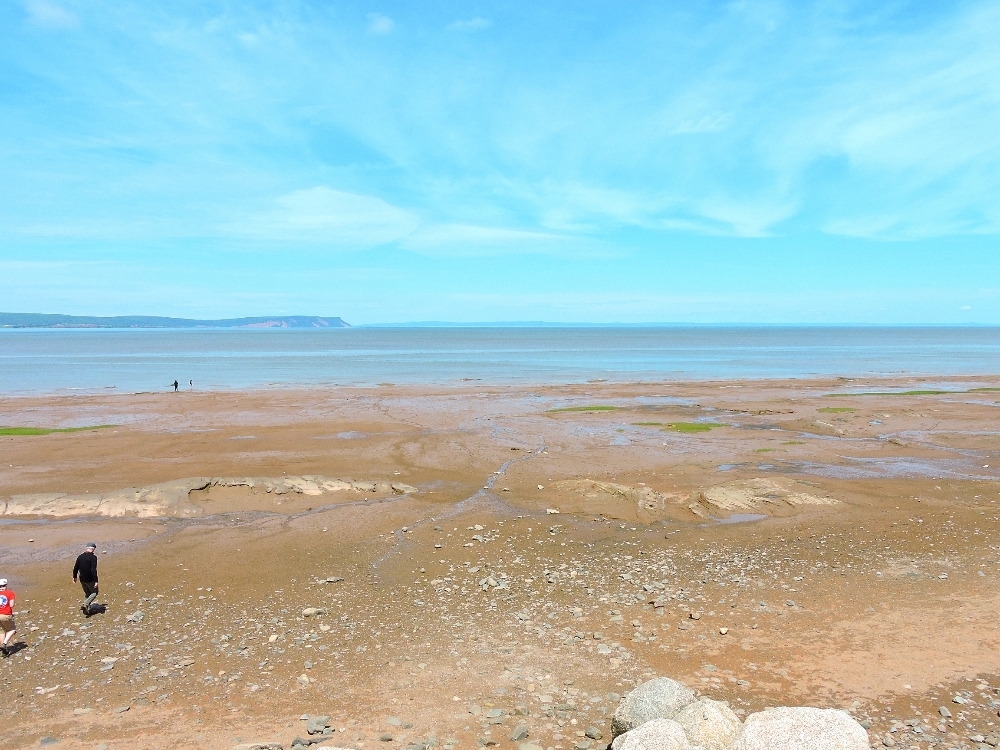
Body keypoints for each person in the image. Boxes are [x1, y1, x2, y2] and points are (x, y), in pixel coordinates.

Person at [72, 542, 100, 615]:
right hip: (90, 579)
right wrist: (96, 581)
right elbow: (93, 570)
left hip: (82, 578)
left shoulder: (80, 556)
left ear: (86, 548)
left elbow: (75, 567)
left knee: (87, 593)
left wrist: (74, 577)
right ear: (93, 549)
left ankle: (88, 610)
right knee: (94, 592)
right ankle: (86, 603)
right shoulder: (93, 558)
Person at [0, 579, 16, 656]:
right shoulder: (10, 593)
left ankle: (4, 650)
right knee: (12, 629)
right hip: (5, 614)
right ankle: (4, 643)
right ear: (6, 586)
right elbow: (11, 605)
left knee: (2, 631)